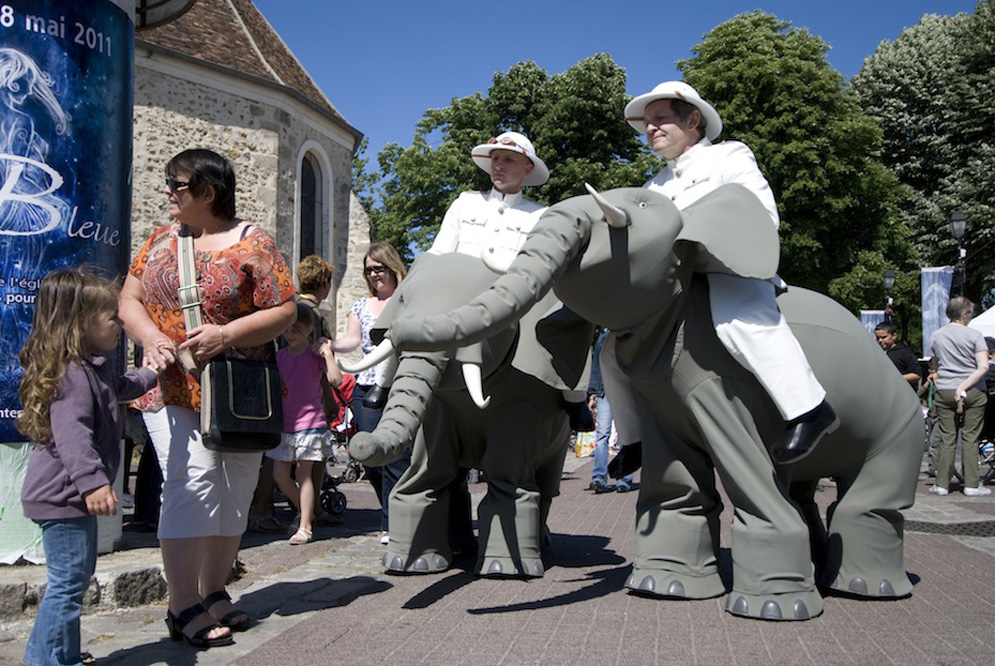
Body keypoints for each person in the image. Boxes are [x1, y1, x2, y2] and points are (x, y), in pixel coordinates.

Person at [119, 149, 297, 647]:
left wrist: (226, 334)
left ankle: (214, 589)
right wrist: (151, 337)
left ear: (208, 192)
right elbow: (129, 298)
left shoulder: (254, 243)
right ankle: (182, 605)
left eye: (176, 184)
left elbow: (285, 310)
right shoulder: (160, 240)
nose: (167, 191)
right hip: (172, 385)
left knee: (235, 488)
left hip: (239, 389)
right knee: (191, 480)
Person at [614, 81, 837, 467]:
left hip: (726, 267)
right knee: (612, 348)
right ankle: (634, 440)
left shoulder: (729, 156)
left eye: (660, 119)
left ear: (692, 120)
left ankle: (809, 408)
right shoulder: (652, 186)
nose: (650, 128)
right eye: (648, 122)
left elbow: (761, 214)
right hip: (671, 284)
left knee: (739, 321)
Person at [17, 268, 161, 666]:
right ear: (81, 324)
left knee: (72, 580)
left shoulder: (90, 370)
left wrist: (152, 371)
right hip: (64, 496)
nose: (120, 324)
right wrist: (93, 483)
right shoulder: (74, 377)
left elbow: (123, 387)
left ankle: (54, 656)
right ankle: (47, 661)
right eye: (112, 317)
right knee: (68, 584)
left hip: (68, 497)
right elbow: (74, 438)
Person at [427, 130, 592, 430]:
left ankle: (574, 394)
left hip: (514, 302)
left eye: (509, 160)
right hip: (459, 297)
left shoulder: (540, 215)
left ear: (527, 169)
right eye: (495, 158)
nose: (499, 165)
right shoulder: (464, 204)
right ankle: (385, 381)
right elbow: (439, 253)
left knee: (573, 310)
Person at [332, 242, 410, 544]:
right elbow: (352, 340)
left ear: (392, 267)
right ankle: (390, 511)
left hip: (400, 385)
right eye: (368, 270)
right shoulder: (361, 306)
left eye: (378, 268)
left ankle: (393, 522)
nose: (374, 274)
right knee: (369, 455)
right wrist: (328, 344)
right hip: (366, 386)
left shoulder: (407, 299)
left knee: (396, 458)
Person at [268, 302, 343, 544]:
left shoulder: (314, 355)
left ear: (309, 328)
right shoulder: (279, 357)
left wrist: (328, 354)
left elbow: (336, 380)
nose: (289, 335)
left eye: (295, 330)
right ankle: (306, 510)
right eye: (287, 330)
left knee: (304, 474)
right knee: (280, 475)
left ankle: (305, 525)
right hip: (286, 424)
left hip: (310, 423)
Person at [927, 296, 991, 497]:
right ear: (965, 314)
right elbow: (983, 367)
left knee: (947, 437)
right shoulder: (975, 335)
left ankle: (941, 484)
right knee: (971, 437)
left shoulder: (937, 335)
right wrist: (964, 385)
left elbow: (934, 365)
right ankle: (972, 484)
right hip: (973, 390)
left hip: (945, 389)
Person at [588, 328, 632, 494]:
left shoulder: (629, 333)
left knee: (626, 435)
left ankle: (624, 478)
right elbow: (596, 366)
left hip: (625, 390)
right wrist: (592, 393)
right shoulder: (603, 338)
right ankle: (599, 478)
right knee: (602, 435)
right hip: (604, 392)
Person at [874, 321, 922, 389]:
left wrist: (895, 379)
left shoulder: (904, 352)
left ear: (894, 336)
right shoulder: (876, 352)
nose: (880, 340)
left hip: (900, 391)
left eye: (884, 337)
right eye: (877, 338)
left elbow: (916, 375)